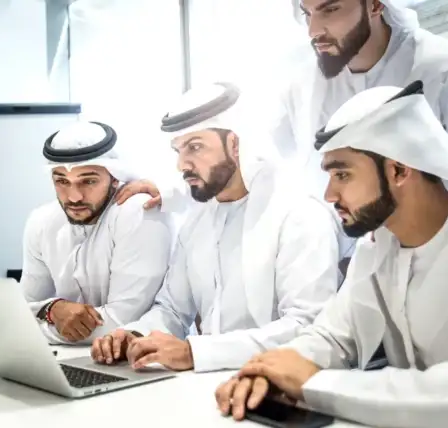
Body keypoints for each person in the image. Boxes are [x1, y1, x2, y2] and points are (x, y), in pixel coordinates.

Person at [214, 81, 448, 428]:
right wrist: (270, 373)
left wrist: (314, 383)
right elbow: (331, 336)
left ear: (399, 170)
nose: (329, 195)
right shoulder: (377, 249)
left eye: (342, 175)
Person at [116, 0, 448, 216]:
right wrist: (175, 192)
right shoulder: (306, 83)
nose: (315, 30)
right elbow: (259, 157)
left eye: (331, 9)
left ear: (375, 4)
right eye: (306, 13)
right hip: (356, 271)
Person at [90, 82, 342, 373]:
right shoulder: (197, 220)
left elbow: (306, 327)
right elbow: (172, 309)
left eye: (195, 147)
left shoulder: (299, 214)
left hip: (280, 385)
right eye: (178, 151)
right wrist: (134, 335)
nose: (182, 165)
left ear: (235, 144)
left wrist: (196, 352)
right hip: (206, 381)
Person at [20, 121, 172, 345]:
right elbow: (24, 308)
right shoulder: (41, 221)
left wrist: (35, 327)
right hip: (63, 357)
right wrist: (52, 309)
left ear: (114, 178)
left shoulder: (137, 211)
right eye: (62, 181)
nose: (74, 197)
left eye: (88, 181)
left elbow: (121, 322)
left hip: (140, 358)